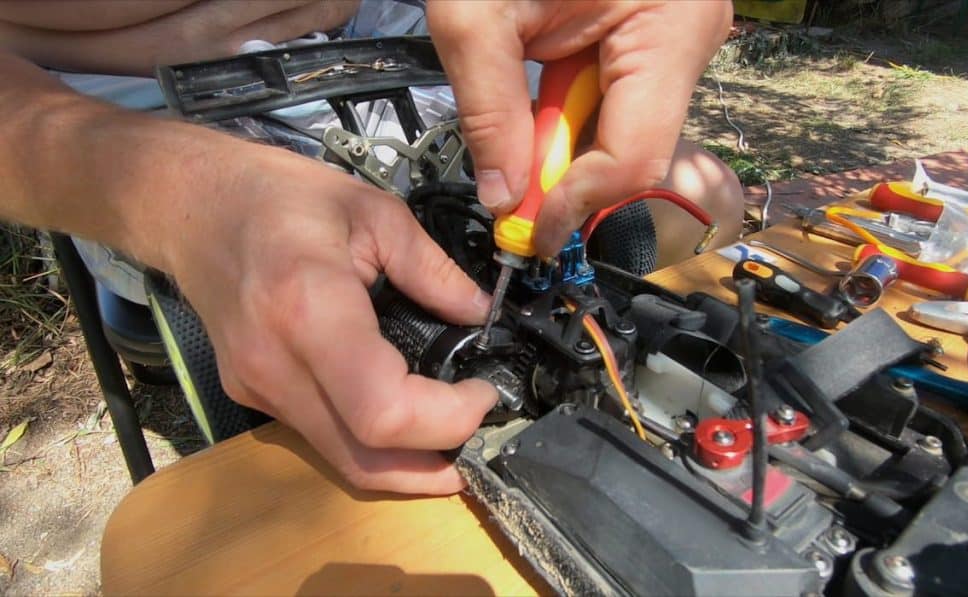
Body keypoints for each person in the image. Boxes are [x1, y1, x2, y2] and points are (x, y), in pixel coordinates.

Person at [0, 1, 738, 494]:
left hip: (389, 22)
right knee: (334, 383)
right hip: (123, 98)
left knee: (706, 198)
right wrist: (177, 195)